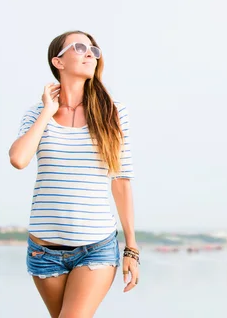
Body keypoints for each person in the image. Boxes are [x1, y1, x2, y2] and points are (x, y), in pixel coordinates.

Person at [8, 30, 140, 318]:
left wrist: (131, 247)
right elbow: (18, 159)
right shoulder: (36, 115)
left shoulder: (115, 113)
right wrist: (47, 112)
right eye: (80, 47)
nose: (90, 53)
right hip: (44, 251)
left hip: (96, 248)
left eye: (94, 49)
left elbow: (121, 181)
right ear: (58, 61)